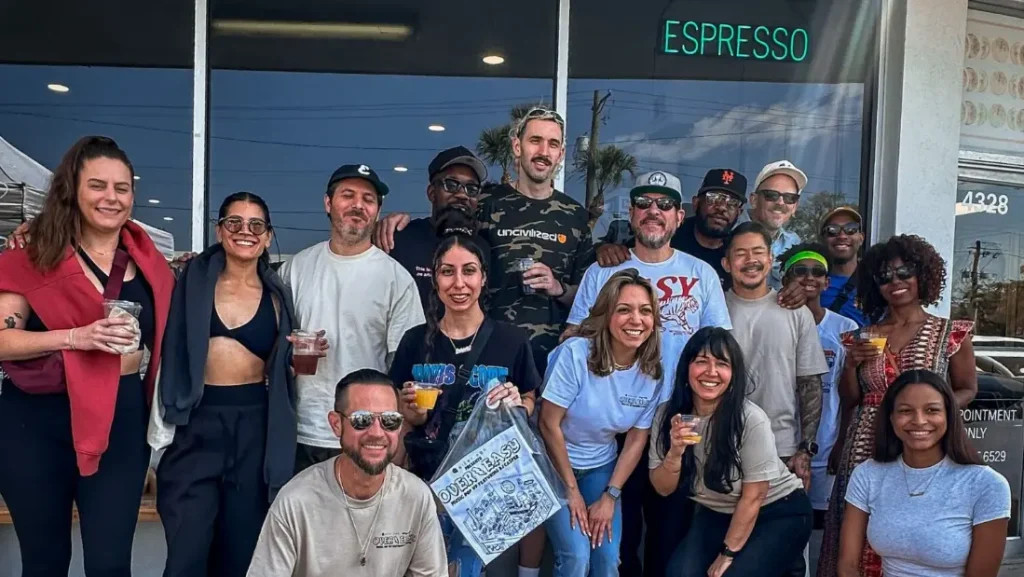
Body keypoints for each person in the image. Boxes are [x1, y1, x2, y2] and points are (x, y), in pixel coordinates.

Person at [376, 107, 591, 577]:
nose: (459, 282)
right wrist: (397, 221)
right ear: (517, 147)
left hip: (499, 448)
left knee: (469, 563)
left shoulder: (575, 217)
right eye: (535, 140)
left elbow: (589, 293)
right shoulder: (488, 204)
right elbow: (447, 217)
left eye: (554, 143)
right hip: (426, 471)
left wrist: (563, 286)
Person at [0, 135, 175, 576]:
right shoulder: (33, 253)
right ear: (72, 191)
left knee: (110, 564)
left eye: (122, 187)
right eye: (97, 185)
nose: (111, 197)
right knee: (44, 561)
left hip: (120, 417)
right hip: (36, 422)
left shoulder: (150, 261)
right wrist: (75, 337)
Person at [564, 170, 731, 577]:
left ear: (679, 216)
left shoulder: (701, 274)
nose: (653, 211)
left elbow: (718, 348)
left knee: (668, 535)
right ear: (631, 212)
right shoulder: (603, 271)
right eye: (644, 202)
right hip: (612, 424)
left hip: (677, 420)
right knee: (616, 539)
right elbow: (572, 337)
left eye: (664, 204)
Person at [152, 192, 301, 577]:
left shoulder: (278, 295)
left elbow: (284, 367)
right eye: (234, 222)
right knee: (185, 554)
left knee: (241, 554)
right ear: (219, 231)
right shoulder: (187, 282)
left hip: (253, 425)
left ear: (268, 237)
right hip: (195, 423)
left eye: (256, 225)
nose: (244, 231)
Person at [818, 234, 978, 577]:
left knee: (914, 524)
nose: (895, 282)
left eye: (905, 272)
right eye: (884, 276)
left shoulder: (949, 333)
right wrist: (851, 365)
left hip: (923, 445)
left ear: (923, 275)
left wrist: (934, 412)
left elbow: (967, 388)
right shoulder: (862, 336)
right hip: (865, 444)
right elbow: (851, 399)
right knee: (855, 530)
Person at [389, 230, 541, 577]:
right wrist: (411, 413)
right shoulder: (415, 341)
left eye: (469, 271)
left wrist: (518, 403)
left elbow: (530, 399)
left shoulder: (512, 339)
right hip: (425, 480)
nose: (459, 283)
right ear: (435, 279)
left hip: (484, 483)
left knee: (467, 569)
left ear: (483, 278)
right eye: (448, 271)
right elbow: (397, 411)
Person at [277, 164, 425, 473]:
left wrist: (397, 435)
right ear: (328, 203)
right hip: (302, 429)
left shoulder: (396, 279)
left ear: (377, 211)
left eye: (368, 199)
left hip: (367, 433)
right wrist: (290, 356)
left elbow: (404, 368)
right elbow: (274, 347)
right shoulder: (296, 269)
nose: (358, 205)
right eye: (348, 195)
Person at [246, 369, 447, 577]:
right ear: (336, 424)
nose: (377, 433)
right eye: (362, 420)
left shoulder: (416, 496)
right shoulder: (296, 501)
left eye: (389, 420)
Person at [649, 326, 813, 577]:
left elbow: (755, 495)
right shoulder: (668, 416)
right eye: (701, 361)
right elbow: (663, 489)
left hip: (778, 509)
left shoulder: (750, 419)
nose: (711, 372)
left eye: (722, 364)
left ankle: (784, 561)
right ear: (686, 369)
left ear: (734, 374)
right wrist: (675, 453)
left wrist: (727, 553)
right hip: (718, 512)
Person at [539, 269, 667, 577]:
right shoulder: (575, 354)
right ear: (606, 314)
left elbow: (636, 439)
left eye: (645, 311)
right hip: (553, 465)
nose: (636, 320)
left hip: (600, 465)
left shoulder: (651, 372)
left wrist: (610, 496)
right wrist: (571, 491)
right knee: (576, 557)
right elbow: (548, 424)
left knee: (608, 559)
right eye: (624, 310)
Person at [837, 370, 1009, 577]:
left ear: (949, 415)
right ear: (891, 418)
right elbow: (847, 566)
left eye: (932, 410)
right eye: (905, 411)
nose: (919, 420)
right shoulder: (868, 474)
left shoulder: (986, 484)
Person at [723, 222, 827, 484]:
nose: (751, 260)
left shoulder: (796, 312)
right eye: (740, 253)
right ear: (726, 263)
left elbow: (810, 384)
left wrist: (805, 449)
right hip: (721, 445)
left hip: (781, 448)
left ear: (770, 260)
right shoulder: (713, 308)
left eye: (758, 252)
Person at [777, 243, 859, 528]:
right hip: (780, 446)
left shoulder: (845, 328)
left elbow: (851, 396)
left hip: (827, 446)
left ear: (827, 282)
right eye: (800, 270)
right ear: (785, 278)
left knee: (822, 526)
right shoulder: (774, 319)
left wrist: (842, 443)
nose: (809, 277)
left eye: (817, 272)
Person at [594, 168, 747, 288]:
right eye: (713, 198)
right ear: (696, 203)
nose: (722, 207)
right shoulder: (668, 233)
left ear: (739, 212)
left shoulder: (740, 248)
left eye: (732, 203)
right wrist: (605, 249)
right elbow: (633, 247)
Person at [387, 146, 490, 306]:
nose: (462, 194)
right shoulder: (400, 240)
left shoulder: (484, 248)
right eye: (451, 184)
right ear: (432, 193)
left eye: (471, 189)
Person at [736, 160, 806, 289]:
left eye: (790, 198)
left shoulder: (794, 243)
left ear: (795, 206)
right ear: (754, 200)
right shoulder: (729, 231)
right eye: (772, 195)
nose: (780, 203)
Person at [819, 207, 867, 326]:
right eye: (832, 230)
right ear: (823, 239)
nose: (842, 236)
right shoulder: (813, 283)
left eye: (851, 229)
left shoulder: (877, 282)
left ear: (861, 238)